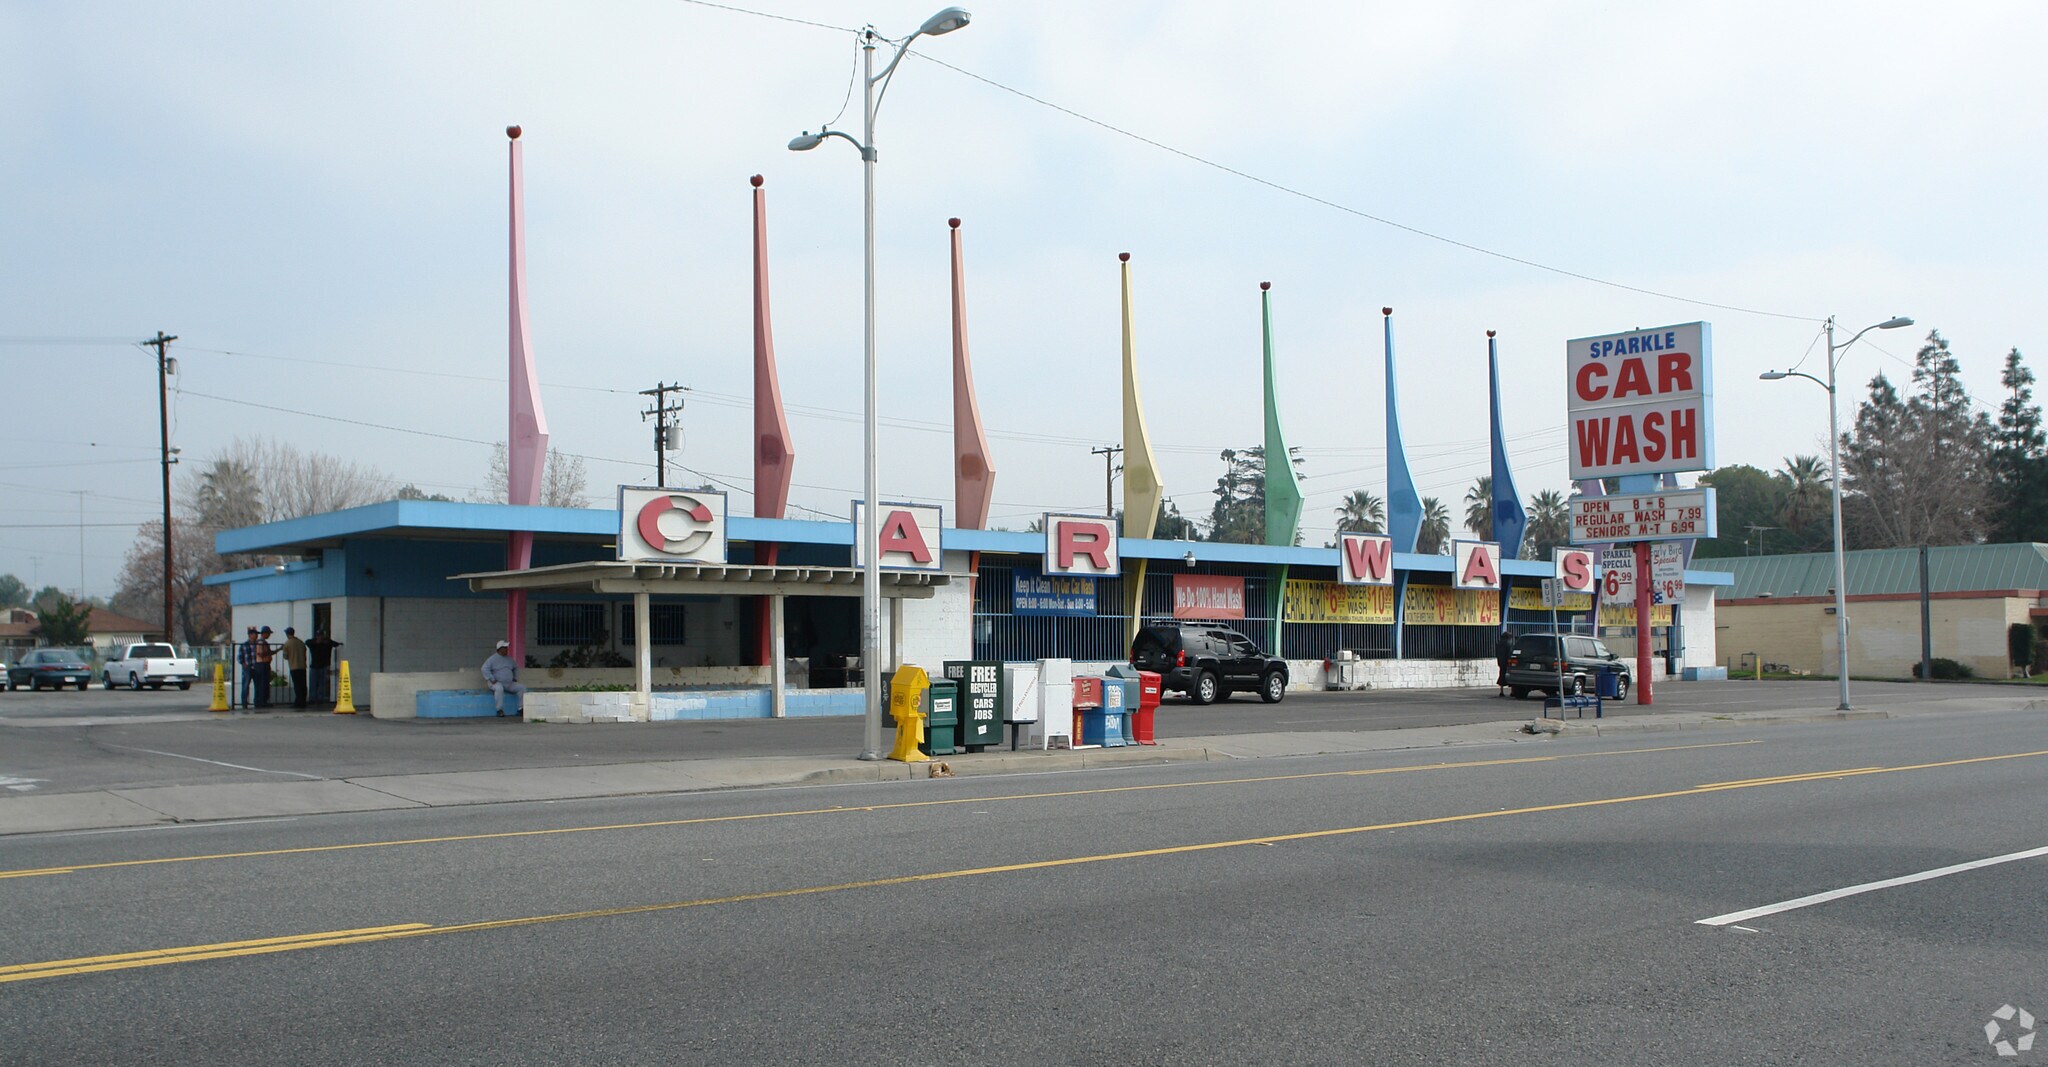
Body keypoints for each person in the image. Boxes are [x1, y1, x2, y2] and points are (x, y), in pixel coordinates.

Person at [483, 639, 525, 718]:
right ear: (499, 649)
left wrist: (515, 677)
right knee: (499, 689)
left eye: (507, 647)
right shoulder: (492, 659)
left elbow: (515, 668)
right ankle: (499, 710)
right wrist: (492, 679)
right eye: (504, 647)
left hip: (508, 683)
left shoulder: (510, 659)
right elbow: (484, 669)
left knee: (521, 688)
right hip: (496, 682)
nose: (506, 649)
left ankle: (520, 708)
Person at [308, 629, 343, 703]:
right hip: (315, 666)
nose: (319, 637)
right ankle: (313, 698)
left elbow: (335, 644)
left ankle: (320, 698)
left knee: (321, 683)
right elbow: (307, 642)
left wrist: (325, 642)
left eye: (320, 635)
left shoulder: (326, 643)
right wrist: (318, 642)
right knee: (314, 683)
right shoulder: (314, 643)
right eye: (318, 636)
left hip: (323, 666)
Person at [282, 627, 309, 709]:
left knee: (297, 686)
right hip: (302, 666)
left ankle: (298, 702)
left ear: (287, 634)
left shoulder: (287, 644)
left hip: (294, 667)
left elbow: (285, 656)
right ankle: (303, 701)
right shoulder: (301, 642)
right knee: (303, 685)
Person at [251, 626, 277, 708]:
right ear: (265, 633)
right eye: (268, 633)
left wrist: (278, 650)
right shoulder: (261, 642)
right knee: (263, 683)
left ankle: (262, 701)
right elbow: (261, 654)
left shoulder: (262, 642)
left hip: (263, 665)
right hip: (262, 665)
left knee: (264, 683)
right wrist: (268, 653)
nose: (269, 635)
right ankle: (262, 702)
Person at [237, 626, 259, 708]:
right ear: (250, 635)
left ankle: (257, 702)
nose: (256, 636)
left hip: (256, 667)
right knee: (245, 685)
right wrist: (244, 664)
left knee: (258, 685)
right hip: (248, 668)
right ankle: (244, 702)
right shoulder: (244, 645)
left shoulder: (258, 644)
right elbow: (239, 657)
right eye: (254, 634)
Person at [1494, 628, 1515, 697]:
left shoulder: (1499, 644)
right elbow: (1510, 653)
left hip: (1501, 661)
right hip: (1507, 661)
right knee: (1511, 675)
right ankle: (1512, 691)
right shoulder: (1509, 643)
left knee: (1502, 675)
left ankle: (1501, 691)